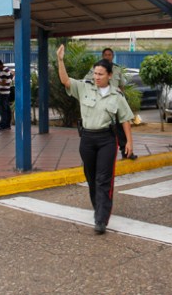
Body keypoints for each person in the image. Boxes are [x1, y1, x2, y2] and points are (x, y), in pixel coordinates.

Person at [57, 44, 134, 235]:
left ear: (109, 75)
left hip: (107, 139)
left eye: (100, 74)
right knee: (91, 177)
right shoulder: (84, 88)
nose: (96, 77)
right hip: (87, 139)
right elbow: (65, 81)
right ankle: (98, 206)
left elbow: (125, 119)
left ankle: (101, 218)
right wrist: (60, 60)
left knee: (103, 179)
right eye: (95, 73)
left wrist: (130, 142)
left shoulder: (117, 95)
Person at [85, 48, 137, 160]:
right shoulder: (96, 69)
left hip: (115, 101)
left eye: (109, 55)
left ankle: (126, 151)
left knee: (121, 127)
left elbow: (121, 86)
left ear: (112, 56)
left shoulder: (117, 69)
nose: (107, 56)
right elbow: (87, 82)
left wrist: (122, 99)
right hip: (101, 101)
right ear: (102, 56)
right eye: (105, 55)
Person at [0, 59, 13, 131]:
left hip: (3, 93)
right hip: (2, 92)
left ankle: (3, 125)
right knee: (6, 108)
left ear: (0, 65)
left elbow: (4, 83)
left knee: (3, 109)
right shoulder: (1, 71)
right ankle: (7, 124)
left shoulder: (4, 71)